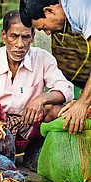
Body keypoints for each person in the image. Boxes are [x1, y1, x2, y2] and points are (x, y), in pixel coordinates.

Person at [0, 10, 74, 172]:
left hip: (31, 125)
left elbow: (67, 90)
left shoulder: (42, 59)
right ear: (3, 36)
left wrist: (41, 99)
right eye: (14, 36)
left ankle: (34, 150)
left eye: (25, 37)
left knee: (57, 110)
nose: (19, 44)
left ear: (33, 37)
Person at [19, 0, 91, 134]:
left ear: (49, 11)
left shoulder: (78, 7)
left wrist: (83, 103)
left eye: (43, 28)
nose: (47, 33)